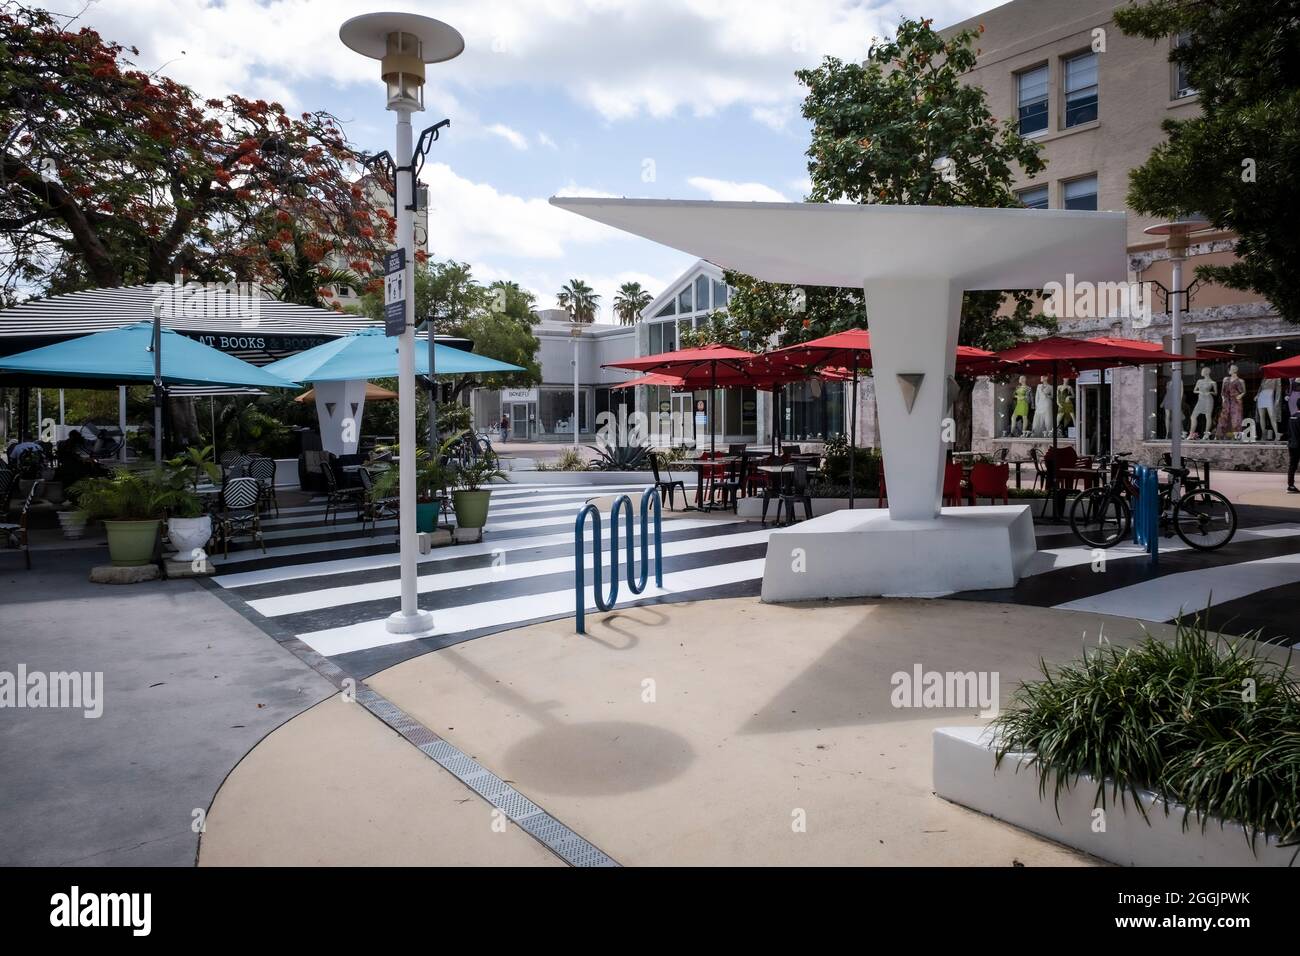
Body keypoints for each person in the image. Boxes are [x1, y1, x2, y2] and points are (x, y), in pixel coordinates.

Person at [1288, 380, 1300, 493]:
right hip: (1299, 445)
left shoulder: (1292, 416)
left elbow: (1289, 431)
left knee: (1292, 466)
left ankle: (1290, 486)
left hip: (1292, 444)